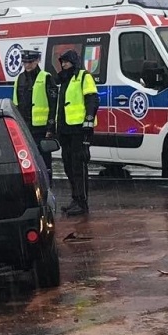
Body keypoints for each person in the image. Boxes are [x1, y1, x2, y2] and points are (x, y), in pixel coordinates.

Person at [53, 48, 99, 217]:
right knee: (68, 165)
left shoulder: (83, 76)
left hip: (79, 129)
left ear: (73, 62)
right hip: (65, 129)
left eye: (66, 62)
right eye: (62, 62)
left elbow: (92, 99)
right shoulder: (63, 80)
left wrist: (88, 119)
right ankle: (75, 198)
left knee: (78, 166)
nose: (63, 65)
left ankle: (82, 201)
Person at [11, 48, 56, 176]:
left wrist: (50, 127)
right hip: (25, 126)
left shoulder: (46, 77)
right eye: (25, 62)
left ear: (37, 61)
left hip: (41, 128)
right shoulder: (19, 79)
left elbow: (53, 104)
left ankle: (47, 184)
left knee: (44, 159)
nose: (27, 65)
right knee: (28, 158)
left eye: (30, 62)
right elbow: (16, 103)